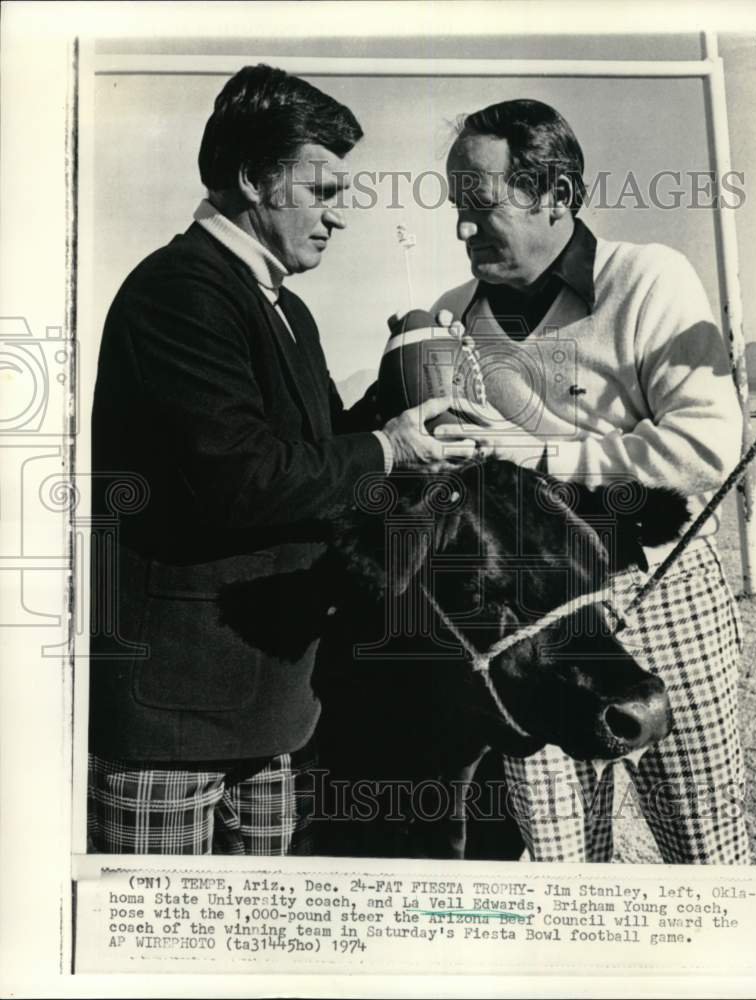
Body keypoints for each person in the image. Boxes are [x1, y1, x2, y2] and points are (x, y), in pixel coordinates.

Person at [88, 63, 469, 855]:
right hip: (176, 722)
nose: (339, 218)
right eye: (322, 191)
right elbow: (238, 477)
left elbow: (316, 452)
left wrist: (404, 394)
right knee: (155, 963)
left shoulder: (282, 305)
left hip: (274, 711)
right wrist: (386, 446)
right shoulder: (179, 292)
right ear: (251, 179)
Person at [432, 99, 750, 864]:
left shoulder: (647, 278)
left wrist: (535, 451)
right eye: (457, 210)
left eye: (483, 207)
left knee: (705, 855)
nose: (463, 230)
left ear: (558, 197)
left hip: (665, 592)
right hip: (537, 620)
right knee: (558, 862)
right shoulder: (449, 317)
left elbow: (706, 445)